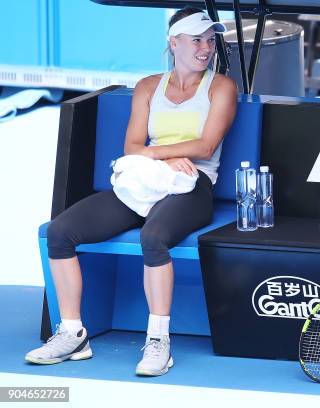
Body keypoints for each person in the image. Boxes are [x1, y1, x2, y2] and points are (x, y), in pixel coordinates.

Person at [25, 7, 237, 377]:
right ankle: (72, 332)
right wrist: (164, 160)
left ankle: (159, 342)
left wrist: (159, 155)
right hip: (148, 179)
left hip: (194, 185)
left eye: (209, 41)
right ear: (174, 43)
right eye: (196, 40)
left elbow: (205, 148)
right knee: (60, 232)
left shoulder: (221, 87)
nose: (205, 48)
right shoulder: (148, 87)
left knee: (153, 237)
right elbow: (131, 147)